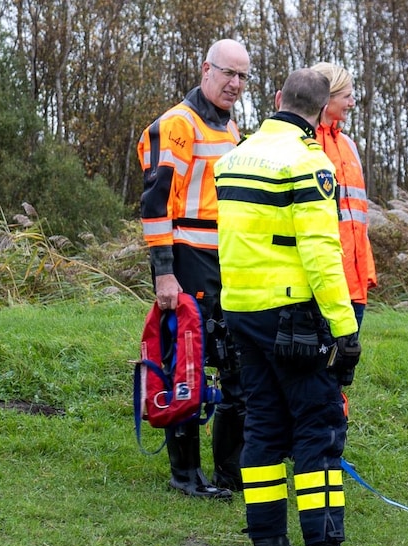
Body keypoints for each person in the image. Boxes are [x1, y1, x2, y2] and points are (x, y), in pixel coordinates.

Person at [214, 68, 385, 546]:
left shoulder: (234, 157)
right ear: (317, 111)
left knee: (264, 426)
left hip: (241, 311)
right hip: (293, 318)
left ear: (277, 99)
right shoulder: (309, 163)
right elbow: (321, 255)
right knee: (319, 426)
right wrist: (343, 330)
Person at [136, 39, 253, 499]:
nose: (236, 84)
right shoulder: (177, 124)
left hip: (227, 262)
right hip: (187, 259)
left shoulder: (232, 128)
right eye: (229, 74)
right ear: (206, 70)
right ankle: (185, 475)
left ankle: (231, 471)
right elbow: (155, 201)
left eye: (244, 77)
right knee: (186, 366)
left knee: (234, 364)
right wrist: (163, 271)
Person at [309, 62, 377, 330]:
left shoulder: (349, 145)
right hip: (321, 282)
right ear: (326, 98)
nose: (352, 102)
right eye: (346, 95)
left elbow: (358, 218)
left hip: (355, 281)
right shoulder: (304, 141)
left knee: (346, 364)